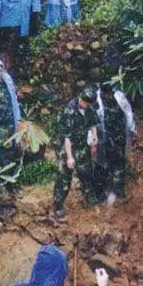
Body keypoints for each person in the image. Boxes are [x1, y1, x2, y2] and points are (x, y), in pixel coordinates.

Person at [52, 87, 103, 221]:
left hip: (82, 146)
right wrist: (69, 157)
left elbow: (93, 124)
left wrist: (94, 140)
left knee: (86, 173)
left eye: (88, 104)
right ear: (80, 98)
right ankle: (58, 207)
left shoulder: (90, 108)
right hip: (66, 148)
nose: (85, 105)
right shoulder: (69, 110)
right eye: (84, 103)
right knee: (64, 178)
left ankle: (90, 198)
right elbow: (66, 138)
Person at [97, 84, 137, 205]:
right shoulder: (96, 100)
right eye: (106, 93)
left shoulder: (119, 97)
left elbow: (128, 113)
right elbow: (94, 120)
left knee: (119, 164)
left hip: (119, 137)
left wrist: (132, 130)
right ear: (103, 92)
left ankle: (118, 192)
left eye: (110, 93)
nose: (109, 95)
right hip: (104, 138)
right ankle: (103, 193)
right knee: (104, 164)